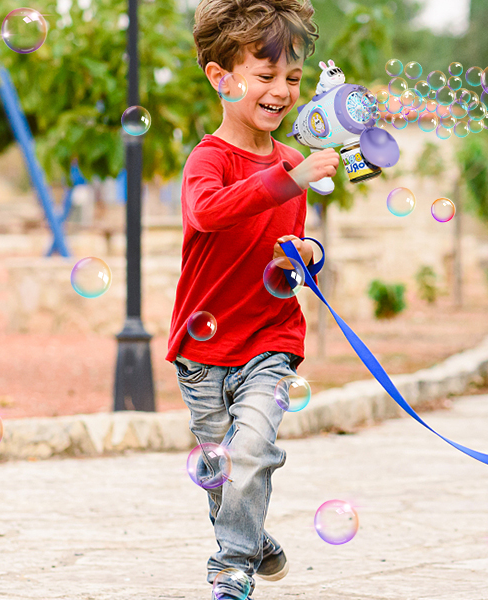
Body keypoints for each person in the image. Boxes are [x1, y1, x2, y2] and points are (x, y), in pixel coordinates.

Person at [166, 0, 339, 597]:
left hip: (270, 339)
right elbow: (208, 213)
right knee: (219, 470)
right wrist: (288, 177)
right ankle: (254, 538)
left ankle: (232, 567)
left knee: (253, 448)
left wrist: (309, 254)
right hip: (203, 349)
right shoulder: (209, 159)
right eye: (265, 76)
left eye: (292, 78)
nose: (282, 90)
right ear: (221, 78)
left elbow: (286, 241)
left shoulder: (293, 162)